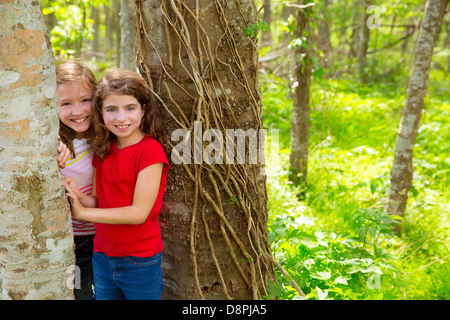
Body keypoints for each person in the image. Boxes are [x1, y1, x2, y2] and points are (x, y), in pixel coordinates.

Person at [63, 69, 169, 300]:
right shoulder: (103, 150)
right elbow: (100, 201)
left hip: (140, 259)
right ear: (100, 113)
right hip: (101, 256)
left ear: (143, 109)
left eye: (130, 108)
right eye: (111, 110)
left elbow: (138, 213)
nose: (121, 118)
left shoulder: (150, 152)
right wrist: (78, 196)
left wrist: (84, 212)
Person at [56, 60, 97, 300]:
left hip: (109, 238)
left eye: (85, 100)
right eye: (66, 104)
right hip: (75, 244)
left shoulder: (110, 134)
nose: (77, 111)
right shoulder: (56, 143)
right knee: (80, 296)